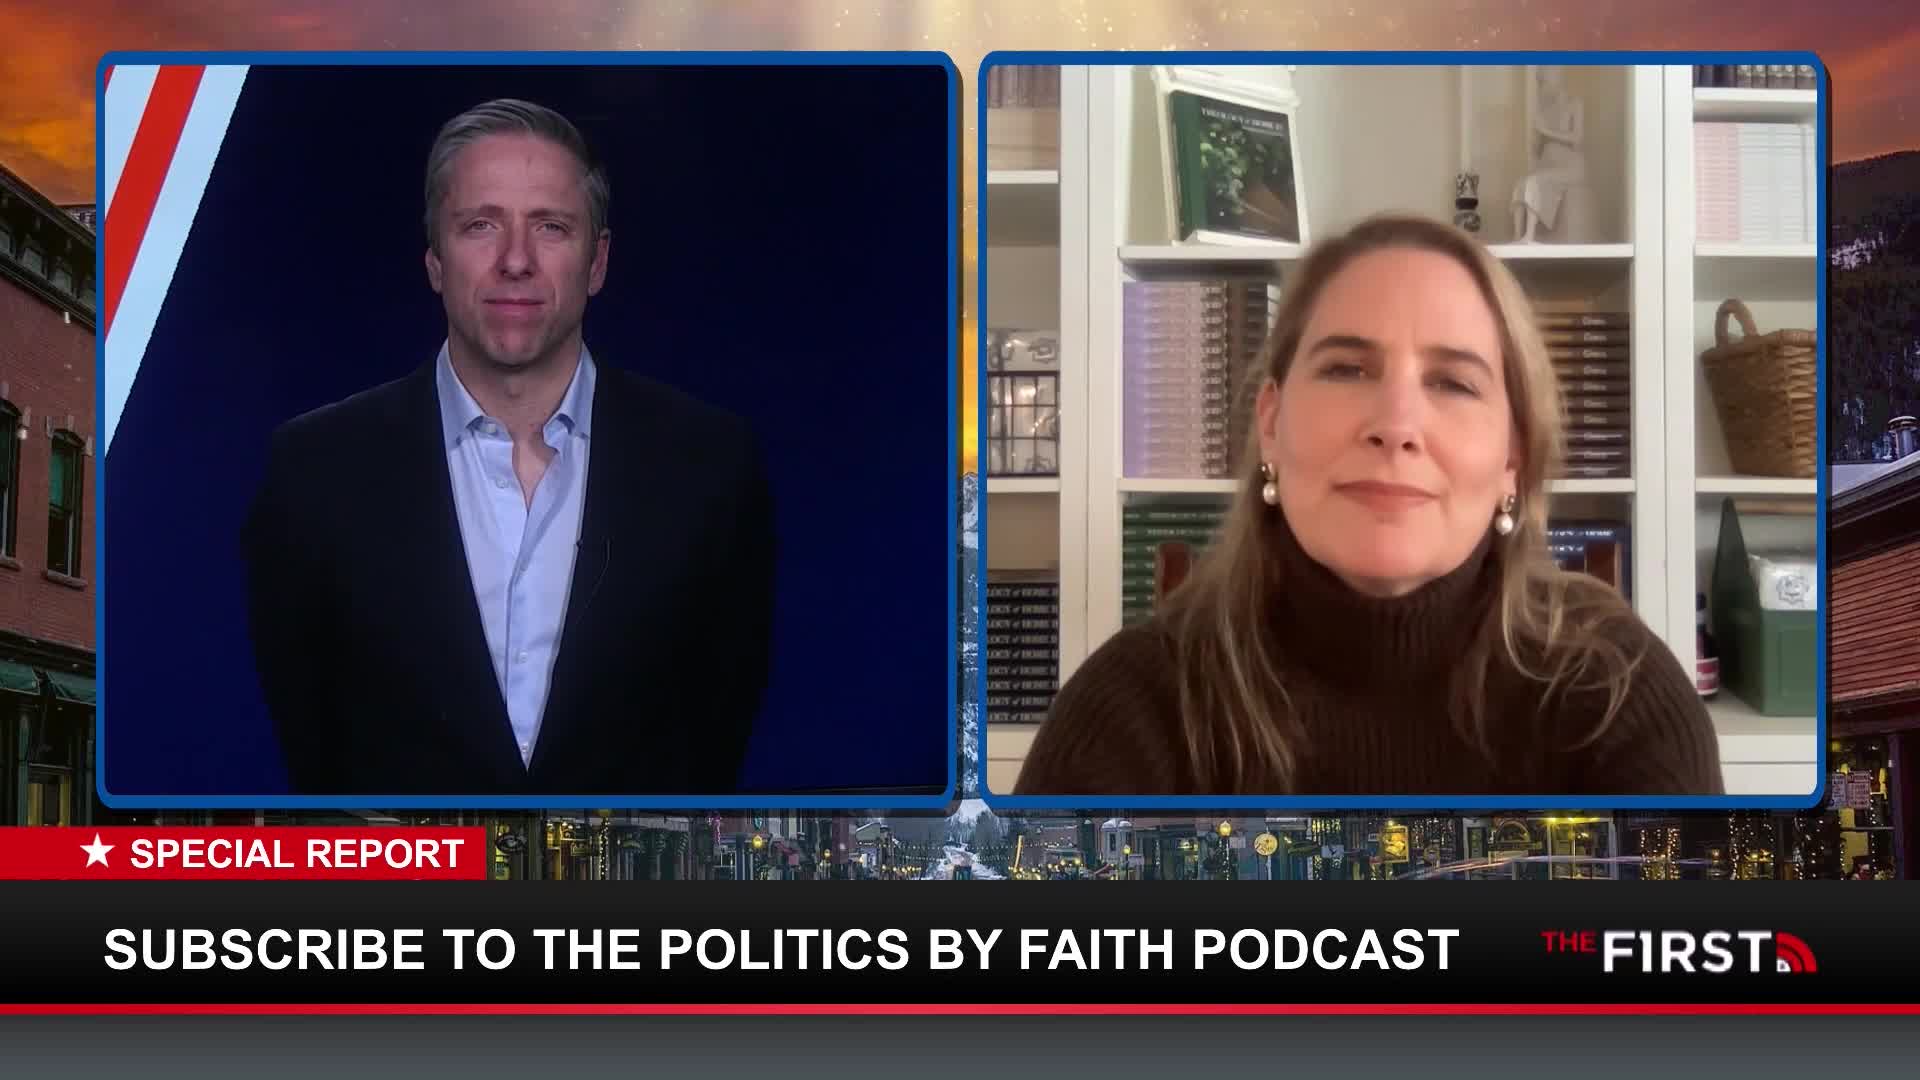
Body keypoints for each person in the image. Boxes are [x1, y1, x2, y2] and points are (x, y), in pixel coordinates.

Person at [1016, 213, 1721, 797]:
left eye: (1453, 382)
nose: (1396, 423)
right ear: (1270, 422)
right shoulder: (1131, 709)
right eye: (1347, 369)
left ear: (1514, 459)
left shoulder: (1620, 696)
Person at [242, 99, 775, 795]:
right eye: (480, 225)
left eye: (551, 227)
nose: (516, 260)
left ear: (597, 260)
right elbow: (314, 752)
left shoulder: (713, 469)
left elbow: (715, 740)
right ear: (435, 257)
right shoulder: (312, 471)